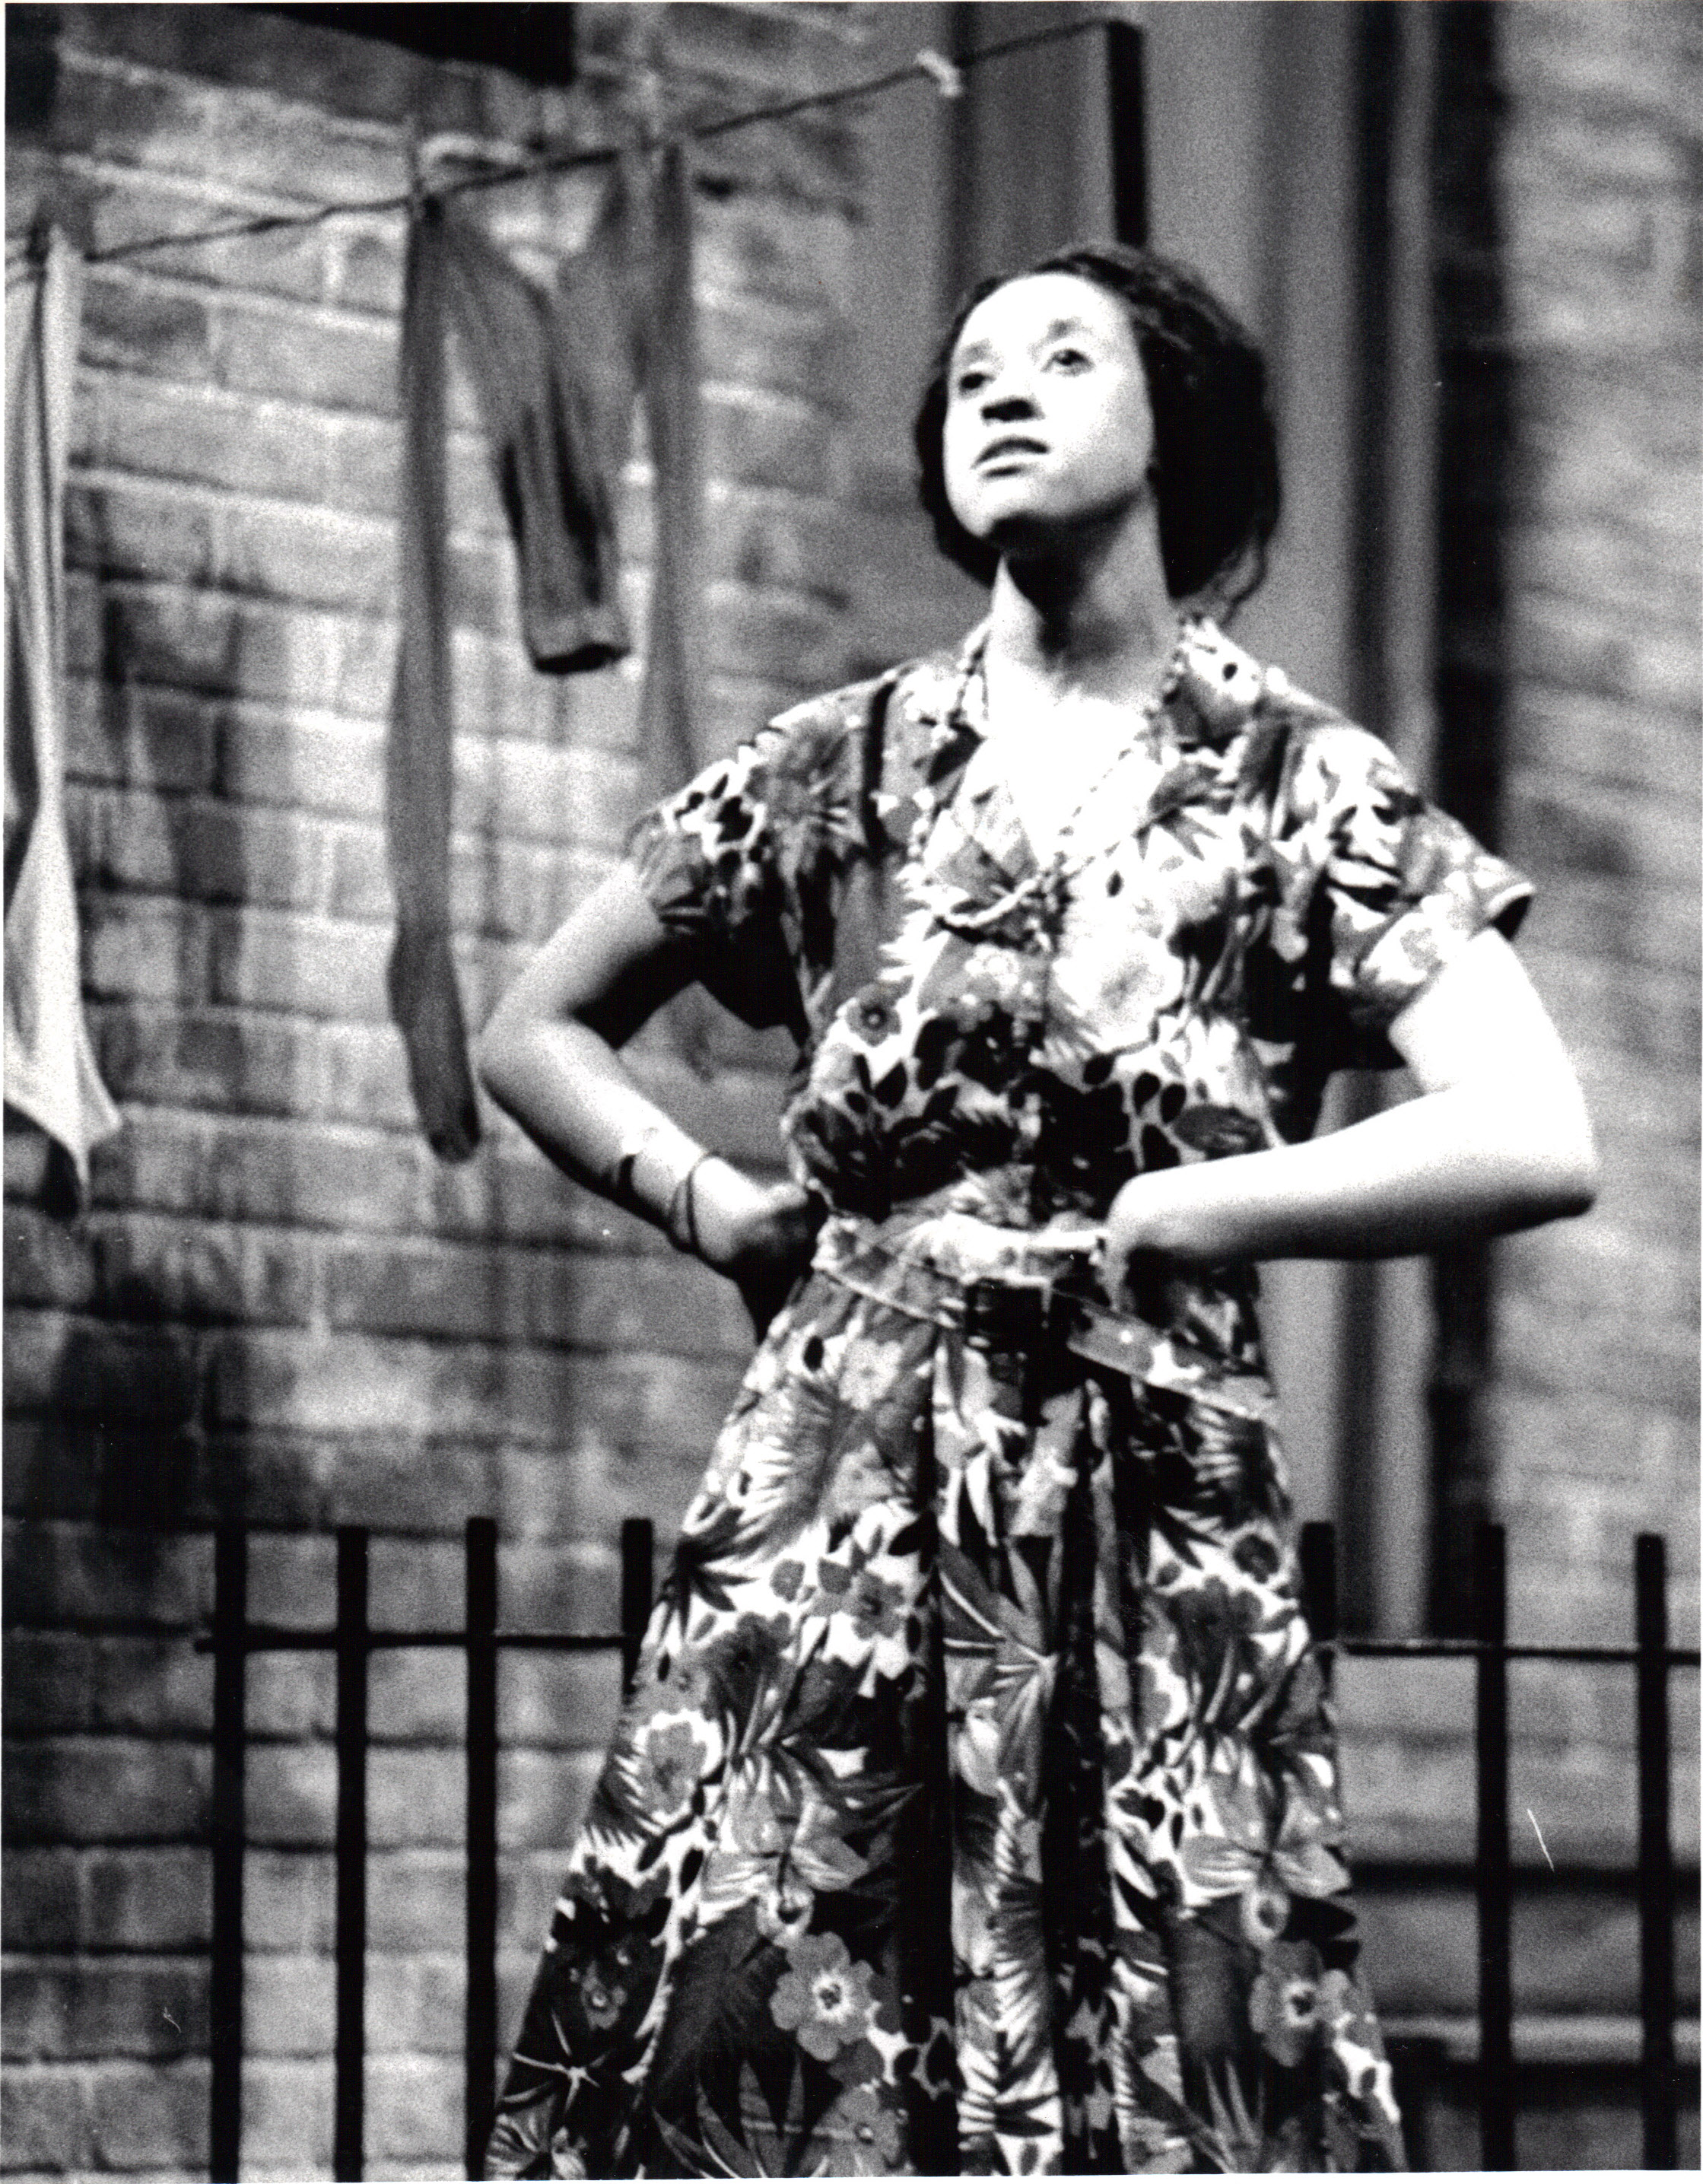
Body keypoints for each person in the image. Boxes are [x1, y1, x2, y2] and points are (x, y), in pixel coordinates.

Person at [478, 243, 1597, 2178]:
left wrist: (1201, 1205)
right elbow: (533, 1027)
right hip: (844, 1478)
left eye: (1065, 358)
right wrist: (711, 1203)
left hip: (1145, 1489)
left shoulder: (1294, 781)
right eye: (972, 369)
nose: (999, 389)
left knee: (1170, 2018)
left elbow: (1532, 1130)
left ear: (1177, 429)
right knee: (779, 1980)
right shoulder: (836, 766)